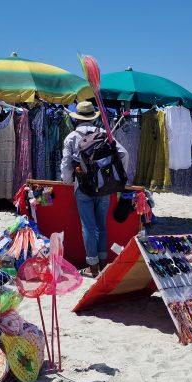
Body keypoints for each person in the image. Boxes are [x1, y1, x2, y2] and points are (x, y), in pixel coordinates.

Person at [61, 101, 128, 277]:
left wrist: (67, 181)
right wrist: (117, 177)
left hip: (82, 188)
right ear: (92, 117)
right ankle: (103, 262)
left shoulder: (71, 137)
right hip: (104, 187)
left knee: (89, 227)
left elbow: (66, 165)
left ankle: (92, 267)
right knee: (102, 226)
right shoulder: (105, 133)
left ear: (77, 119)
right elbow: (124, 154)